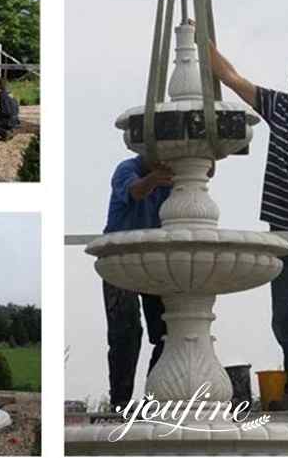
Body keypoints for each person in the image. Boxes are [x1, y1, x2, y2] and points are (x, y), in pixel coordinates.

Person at [209, 44, 288, 410]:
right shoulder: (280, 107)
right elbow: (233, 78)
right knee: (285, 314)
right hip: (284, 232)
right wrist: (202, 40)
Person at [102, 156, 172, 411]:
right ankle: (120, 402)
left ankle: (152, 398)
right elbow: (137, 191)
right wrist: (154, 179)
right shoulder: (127, 169)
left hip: (154, 262)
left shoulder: (172, 175)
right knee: (125, 332)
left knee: (170, 331)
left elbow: (207, 172)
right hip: (119, 260)